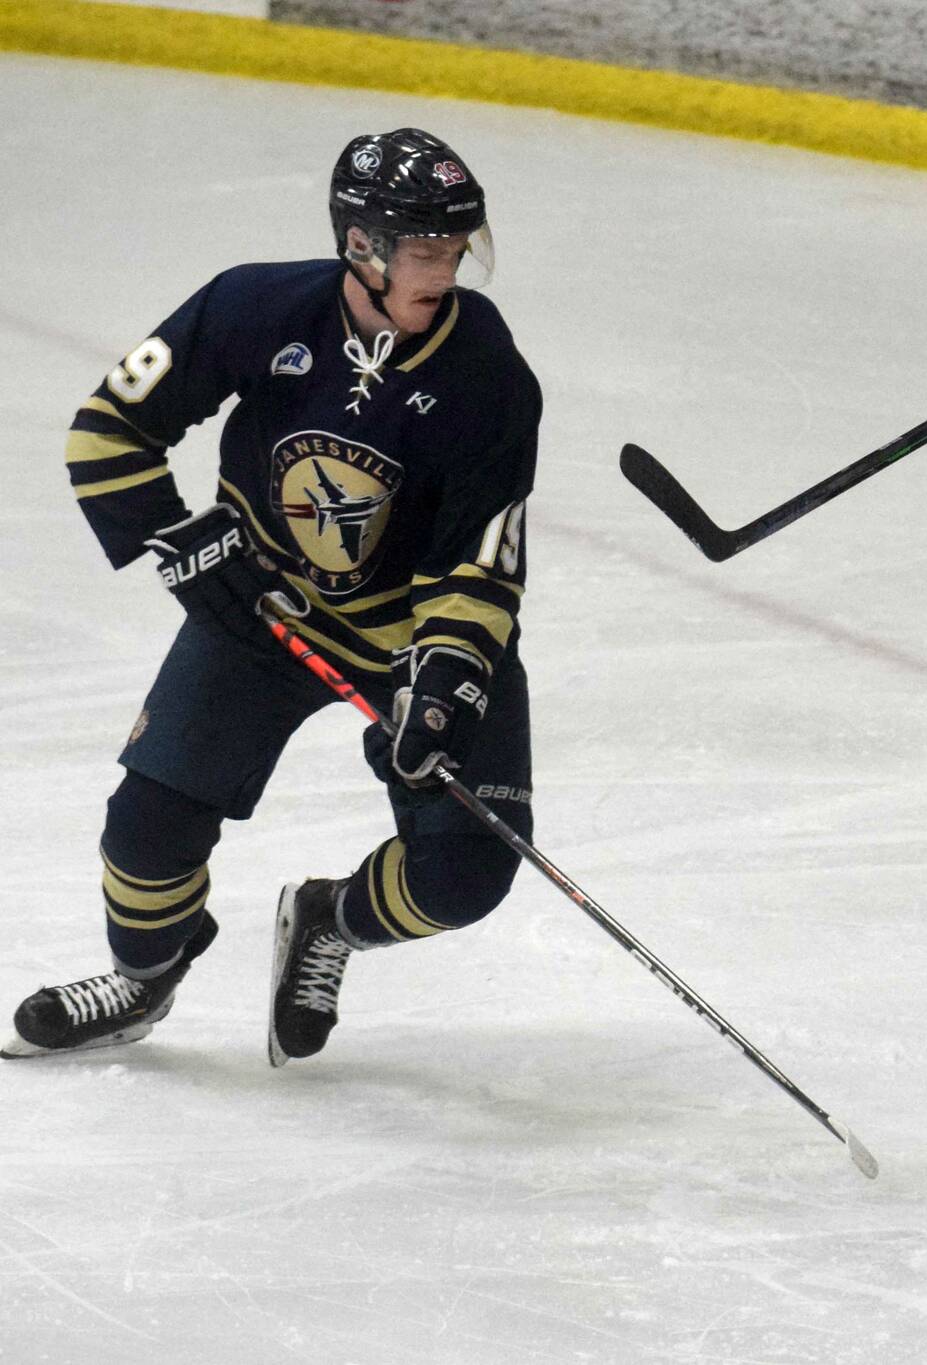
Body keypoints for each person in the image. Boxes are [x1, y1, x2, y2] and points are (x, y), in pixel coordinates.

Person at [6, 128, 541, 1067]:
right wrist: (179, 536)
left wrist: (447, 679)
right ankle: (145, 979)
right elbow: (107, 429)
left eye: (458, 250)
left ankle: (329, 920)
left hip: (405, 640)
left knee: (463, 875)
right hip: (262, 615)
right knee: (143, 836)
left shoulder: (489, 376)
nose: (447, 271)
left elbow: (481, 566)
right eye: (426, 251)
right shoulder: (256, 306)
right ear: (360, 247)